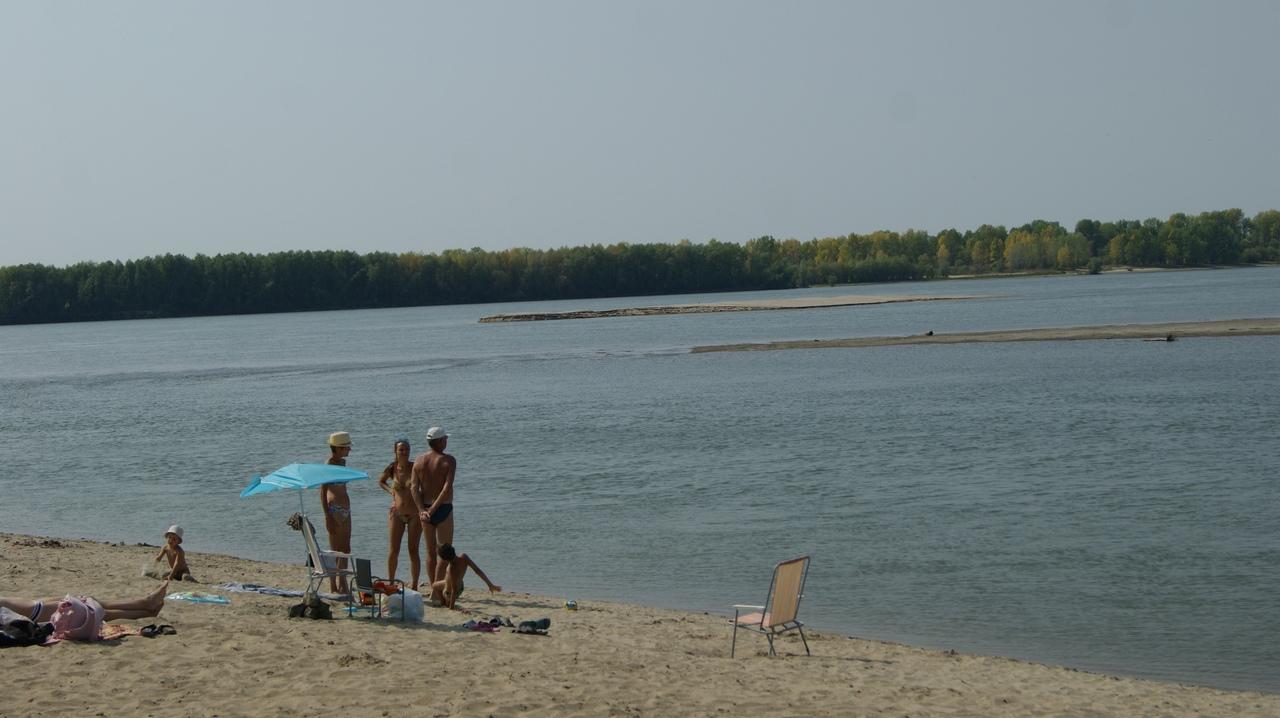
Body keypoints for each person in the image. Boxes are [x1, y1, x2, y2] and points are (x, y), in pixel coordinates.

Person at [0, 581, 169, 640]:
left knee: (92, 602)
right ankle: (146, 607)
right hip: (35, 613)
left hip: (37, 605)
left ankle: (146, 605)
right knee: (99, 610)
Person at [412, 426, 455, 601]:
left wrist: (422, 509)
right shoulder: (448, 460)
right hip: (442, 508)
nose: (446, 441)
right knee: (444, 552)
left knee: (430, 553)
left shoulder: (419, 460)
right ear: (438, 441)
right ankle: (437, 591)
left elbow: (414, 487)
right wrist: (432, 510)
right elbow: (446, 489)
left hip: (425, 510)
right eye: (444, 439)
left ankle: (434, 589)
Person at [377, 437, 422, 590]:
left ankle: (415, 585)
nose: (404, 452)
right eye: (401, 450)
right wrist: (392, 492)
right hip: (396, 513)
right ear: (395, 451)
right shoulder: (392, 468)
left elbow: (426, 484)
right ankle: (390, 583)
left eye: (407, 449)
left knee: (413, 550)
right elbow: (381, 481)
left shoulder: (415, 467)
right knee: (393, 550)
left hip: (414, 514)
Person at [321, 430, 354, 594]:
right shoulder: (329, 465)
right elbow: (322, 490)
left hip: (346, 508)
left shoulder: (342, 463)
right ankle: (333, 585)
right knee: (335, 550)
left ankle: (343, 583)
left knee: (346, 549)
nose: (349, 450)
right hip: (334, 509)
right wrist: (327, 515)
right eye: (347, 447)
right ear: (339, 448)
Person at [431, 544, 500, 610]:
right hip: (460, 586)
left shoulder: (452, 568)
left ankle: (445, 602)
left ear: (444, 559)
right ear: (453, 550)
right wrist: (490, 584)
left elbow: (454, 590)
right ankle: (445, 602)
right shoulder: (464, 557)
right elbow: (477, 570)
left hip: (450, 592)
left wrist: (451, 607)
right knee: (435, 585)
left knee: (439, 590)